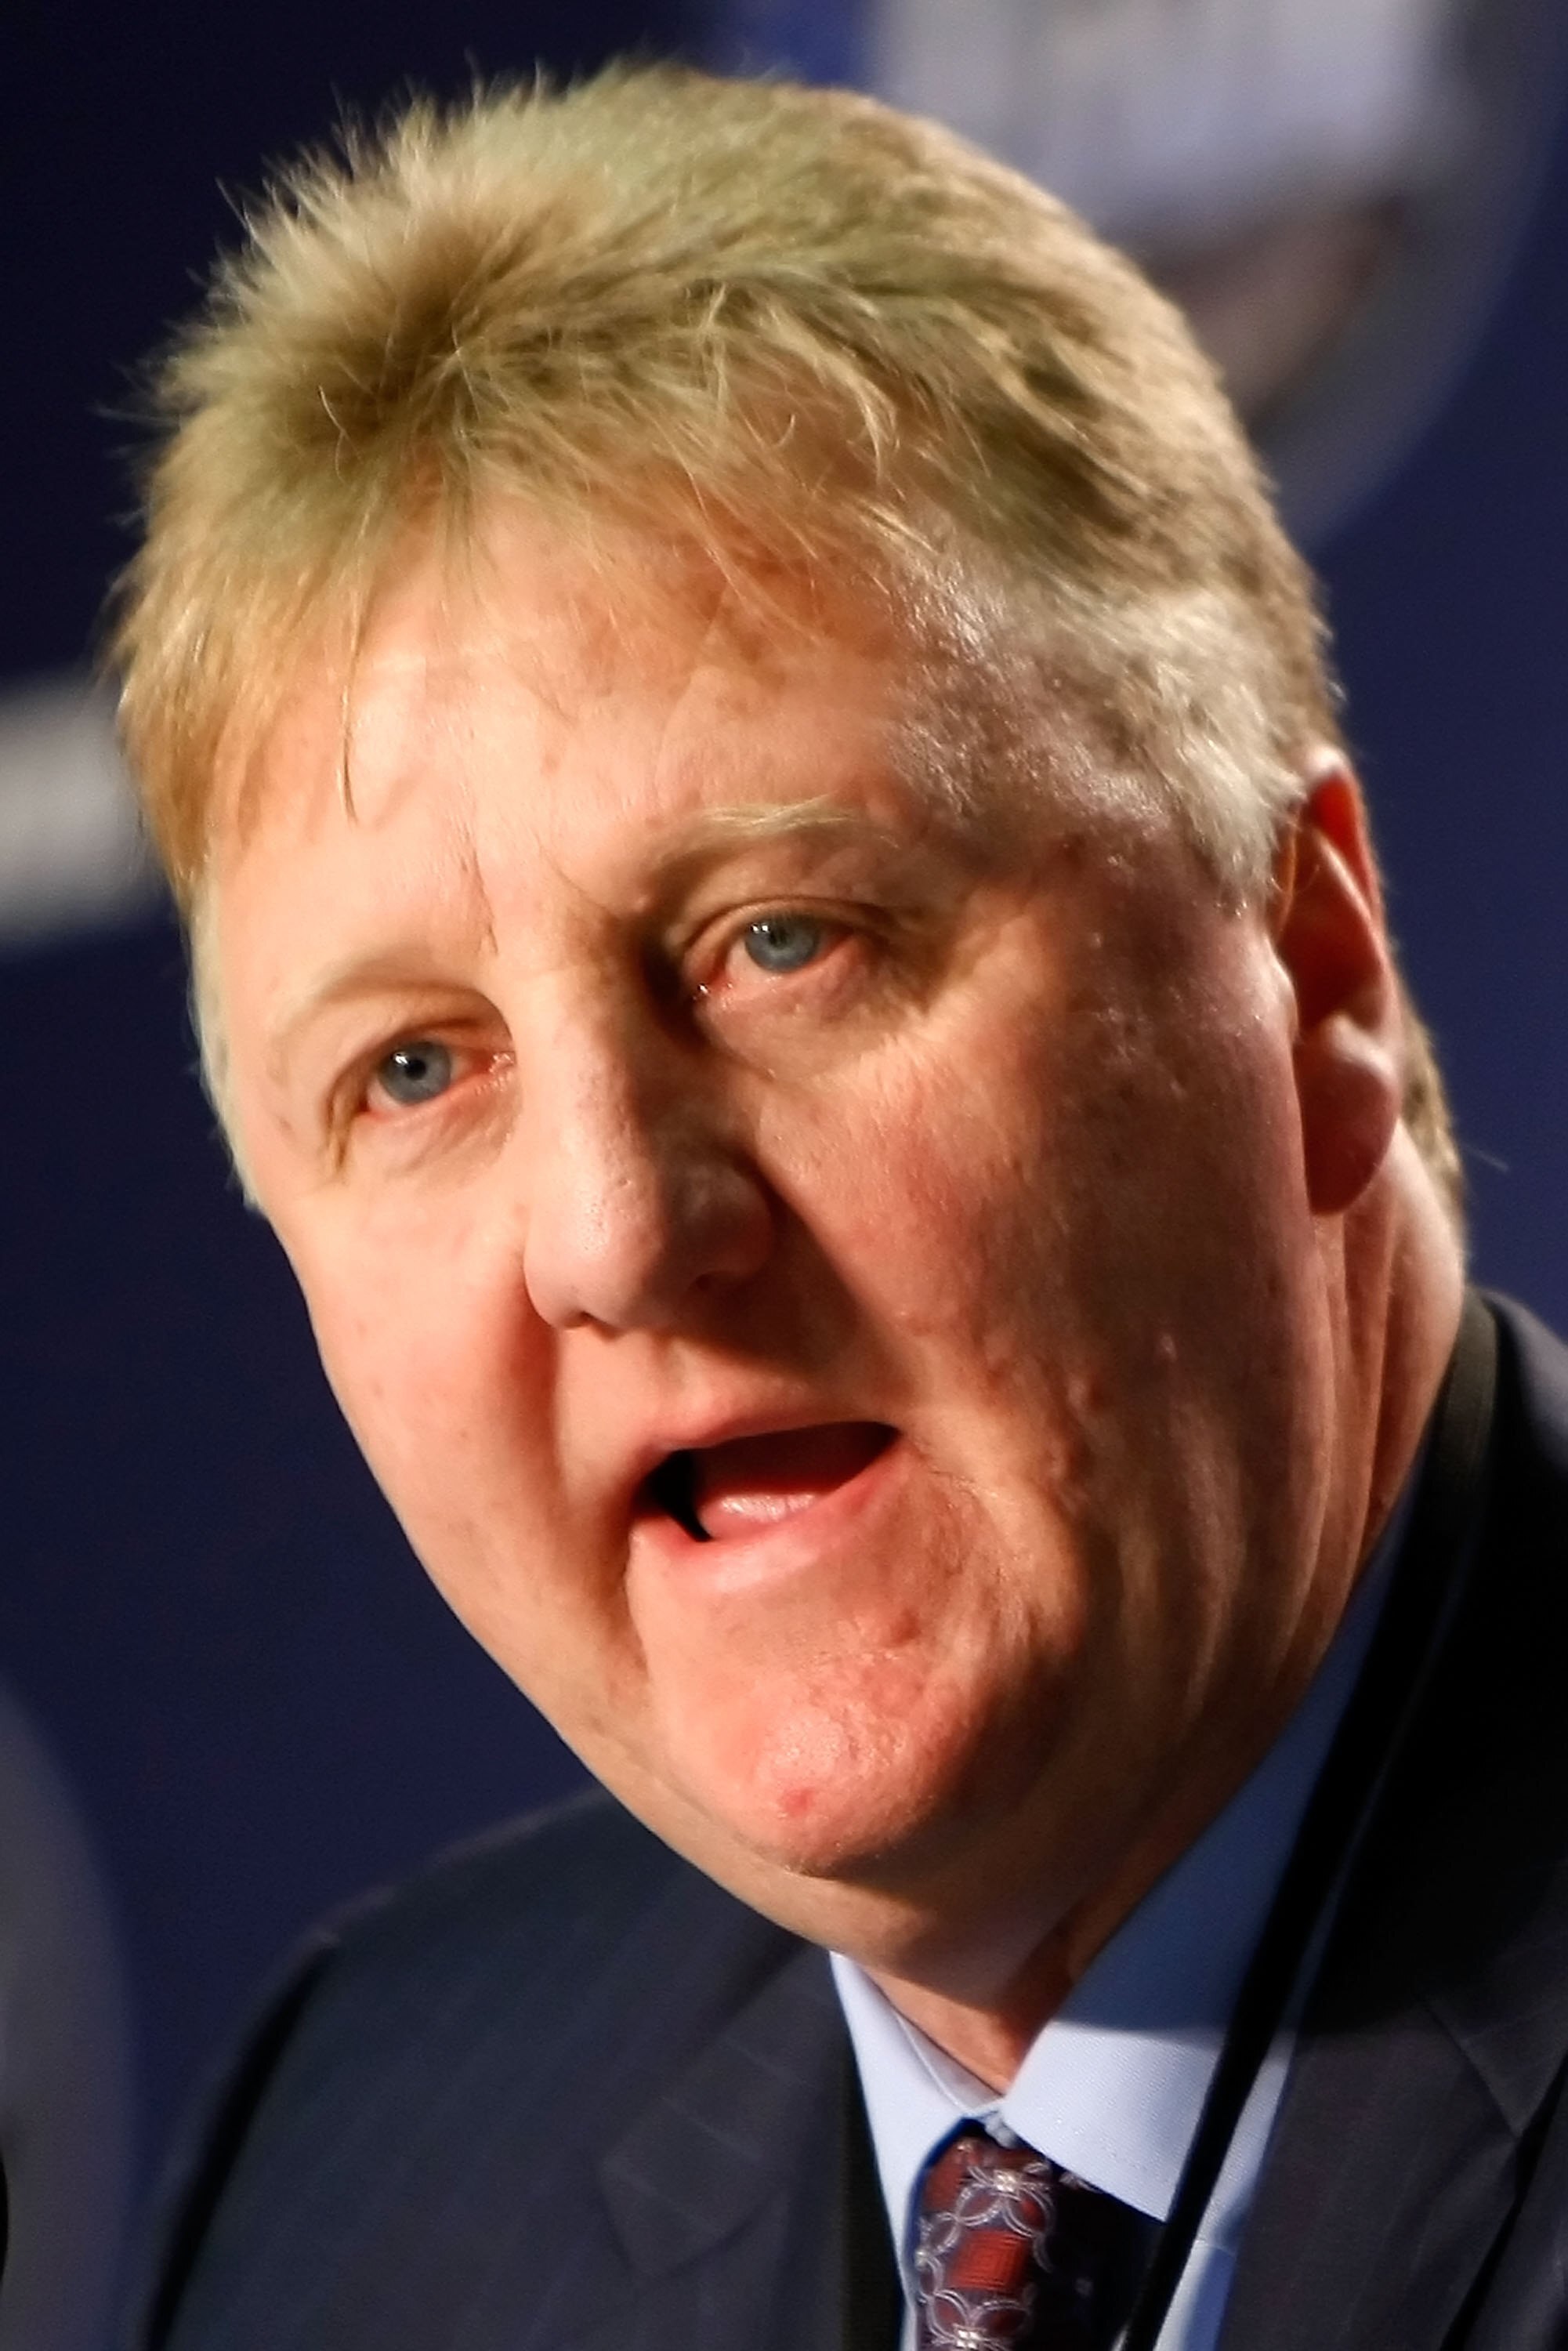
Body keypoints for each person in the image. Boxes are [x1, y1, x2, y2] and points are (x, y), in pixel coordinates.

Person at [116, 64, 1568, 2351]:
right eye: (414, 1069)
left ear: (1308, 972)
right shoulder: (360, 2163)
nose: (612, 1231)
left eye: (782, 939)